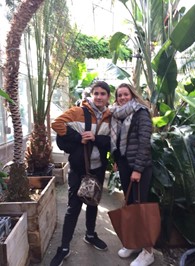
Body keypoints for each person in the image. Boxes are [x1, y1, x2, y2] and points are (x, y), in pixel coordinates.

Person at [50, 81, 111, 266]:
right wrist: (78, 137)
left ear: (108, 97)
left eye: (103, 94)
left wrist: (96, 138)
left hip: (98, 168)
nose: (99, 97)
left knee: (93, 203)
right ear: (92, 95)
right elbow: (56, 123)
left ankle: (90, 235)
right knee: (73, 208)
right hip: (79, 169)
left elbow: (111, 141)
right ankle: (64, 247)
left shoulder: (110, 117)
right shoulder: (78, 112)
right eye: (96, 93)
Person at [110, 83, 154, 266]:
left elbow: (144, 142)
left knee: (140, 208)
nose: (122, 98)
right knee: (130, 206)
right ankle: (134, 244)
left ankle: (148, 251)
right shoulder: (118, 115)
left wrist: (137, 169)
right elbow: (119, 141)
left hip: (140, 167)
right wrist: (116, 160)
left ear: (132, 95)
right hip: (126, 165)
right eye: (119, 95)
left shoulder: (140, 112)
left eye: (125, 94)